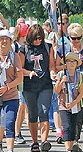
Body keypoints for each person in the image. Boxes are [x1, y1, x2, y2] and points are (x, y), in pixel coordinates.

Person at [56, 23, 83, 147]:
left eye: (78, 38)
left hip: (82, 81)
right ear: (69, 37)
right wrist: (66, 67)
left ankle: (76, 138)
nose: (76, 41)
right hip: (67, 82)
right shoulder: (63, 49)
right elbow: (55, 66)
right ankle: (68, 136)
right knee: (67, 111)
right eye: (73, 38)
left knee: (81, 111)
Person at [19, 24, 56, 152]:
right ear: (30, 37)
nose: (38, 41)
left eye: (40, 38)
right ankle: (35, 142)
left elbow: (52, 65)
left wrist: (52, 73)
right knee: (33, 114)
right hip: (29, 86)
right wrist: (29, 73)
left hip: (45, 84)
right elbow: (20, 69)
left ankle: (44, 141)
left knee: (44, 111)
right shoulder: (24, 49)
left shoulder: (47, 47)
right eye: (35, 38)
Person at [54, 52, 83, 152]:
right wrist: (62, 81)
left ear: (76, 64)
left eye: (73, 61)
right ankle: (68, 149)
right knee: (66, 126)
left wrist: (73, 103)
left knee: (73, 127)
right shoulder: (61, 74)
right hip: (63, 105)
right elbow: (56, 90)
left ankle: (71, 147)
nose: (71, 63)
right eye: (68, 61)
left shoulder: (80, 76)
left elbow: (81, 93)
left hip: (75, 106)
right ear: (65, 63)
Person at [13, 22, 29, 144]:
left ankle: (17, 132)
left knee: (22, 107)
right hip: (16, 80)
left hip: (21, 80)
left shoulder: (22, 46)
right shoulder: (15, 47)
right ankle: (16, 132)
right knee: (20, 107)